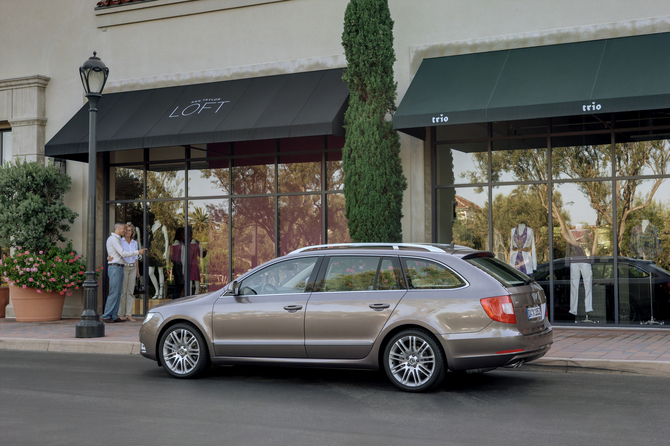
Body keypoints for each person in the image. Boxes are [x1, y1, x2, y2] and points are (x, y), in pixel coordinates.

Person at [102, 222, 146, 323]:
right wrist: (138, 252)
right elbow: (123, 253)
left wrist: (137, 270)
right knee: (115, 293)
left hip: (120, 267)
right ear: (118, 228)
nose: (125, 231)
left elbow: (115, 253)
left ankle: (114, 316)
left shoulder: (118, 239)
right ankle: (107, 315)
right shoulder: (115, 239)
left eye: (128, 230)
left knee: (118, 293)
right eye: (124, 229)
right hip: (116, 267)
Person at [119, 223, 140, 321]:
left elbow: (136, 257)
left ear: (132, 232)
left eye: (129, 230)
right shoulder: (120, 241)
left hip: (133, 268)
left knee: (130, 292)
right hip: (124, 267)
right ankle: (120, 314)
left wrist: (137, 270)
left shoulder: (134, 243)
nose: (127, 232)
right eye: (126, 230)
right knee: (123, 292)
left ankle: (129, 314)